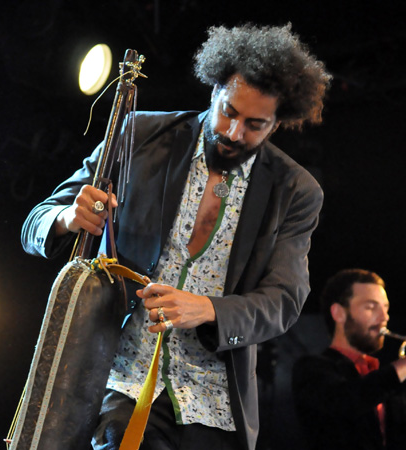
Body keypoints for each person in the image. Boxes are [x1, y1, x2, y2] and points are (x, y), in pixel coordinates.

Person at [21, 23, 331, 450]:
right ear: (214, 87)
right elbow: (35, 221)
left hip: (214, 400)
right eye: (229, 111)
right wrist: (67, 218)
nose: (234, 132)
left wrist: (207, 309)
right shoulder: (141, 134)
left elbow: (283, 302)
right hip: (121, 378)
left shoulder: (296, 190)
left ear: (279, 123)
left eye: (255, 124)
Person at [292, 268, 406, 450]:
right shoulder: (311, 368)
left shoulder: (382, 377)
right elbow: (347, 402)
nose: (384, 317)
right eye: (371, 307)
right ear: (339, 313)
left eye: (385, 308)